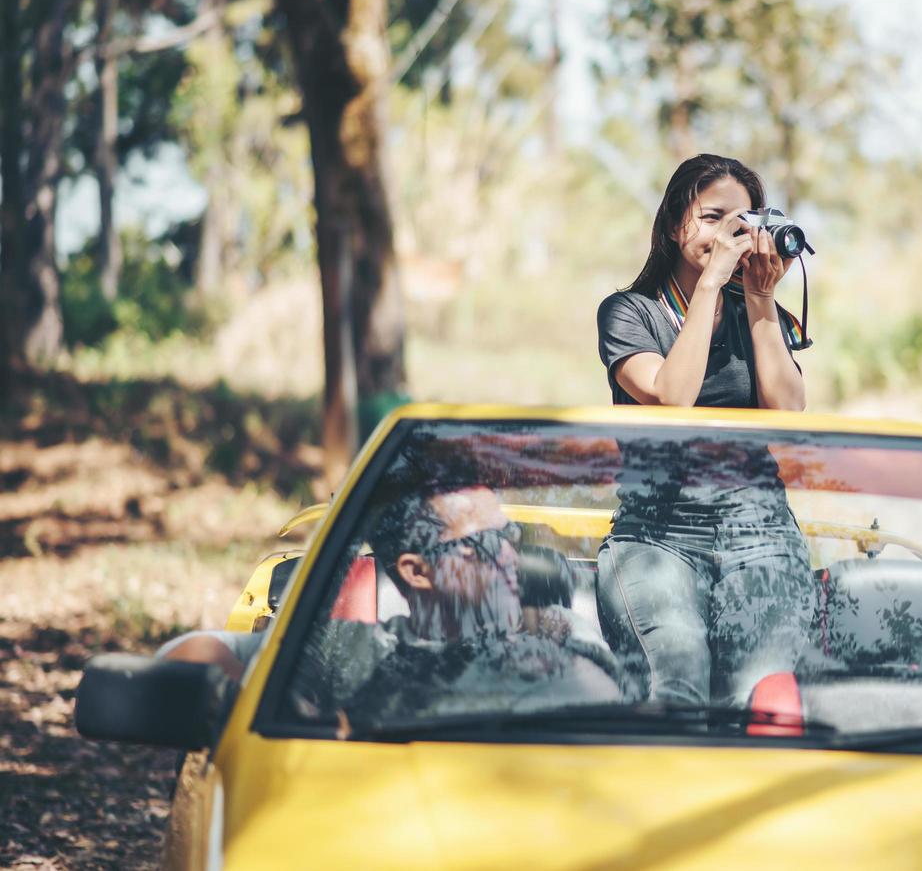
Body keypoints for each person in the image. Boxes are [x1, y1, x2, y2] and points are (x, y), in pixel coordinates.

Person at [594, 154, 814, 706]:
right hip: (656, 530)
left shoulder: (761, 312)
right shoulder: (629, 312)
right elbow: (673, 396)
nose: (729, 235)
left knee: (758, 696)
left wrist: (761, 300)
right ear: (675, 224)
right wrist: (713, 283)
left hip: (759, 526)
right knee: (678, 682)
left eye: (743, 222)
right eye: (712, 217)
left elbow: (788, 414)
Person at [160, 482, 618, 720]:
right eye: (483, 545)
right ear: (417, 571)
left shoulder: (563, 638)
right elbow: (188, 657)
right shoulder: (352, 653)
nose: (508, 555)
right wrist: (282, 712)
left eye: (509, 536)